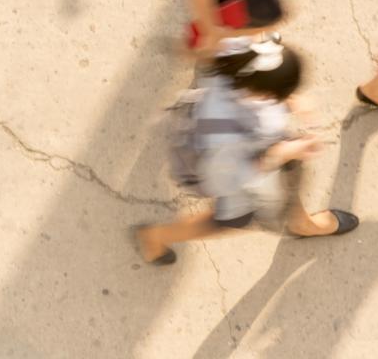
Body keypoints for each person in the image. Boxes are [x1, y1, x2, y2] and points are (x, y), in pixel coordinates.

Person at [134, 40, 359, 265]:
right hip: (223, 166)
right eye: (278, 95)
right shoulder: (223, 133)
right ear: (264, 92)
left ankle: (300, 222)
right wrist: (281, 152)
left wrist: (290, 102)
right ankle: (154, 237)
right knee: (227, 220)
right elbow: (231, 178)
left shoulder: (239, 60)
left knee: (284, 182)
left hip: (221, 140)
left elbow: (221, 46)